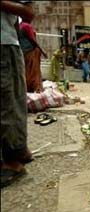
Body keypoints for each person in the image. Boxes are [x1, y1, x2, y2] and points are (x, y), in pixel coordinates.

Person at [1, 0, 35, 188]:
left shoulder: (25, 26)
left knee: (8, 102)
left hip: (6, 45)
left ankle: (13, 159)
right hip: (10, 46)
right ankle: (17, 149)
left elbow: (28, 11)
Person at [19, 8, 47, 93]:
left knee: (26, 70)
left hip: (23, 51)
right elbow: (33, 40)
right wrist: (42, 51)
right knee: (34, 71)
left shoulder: (20, 25)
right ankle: (35, 87)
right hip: (30, 51)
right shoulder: (27, 26)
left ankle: (26, 87)